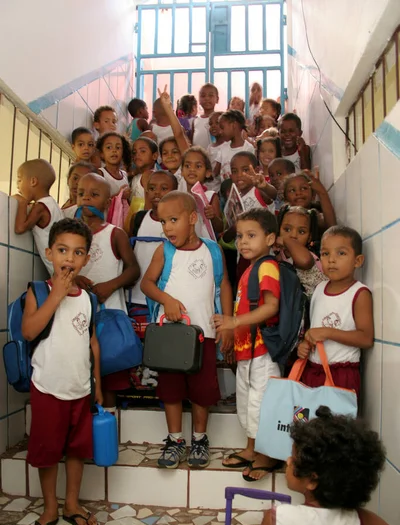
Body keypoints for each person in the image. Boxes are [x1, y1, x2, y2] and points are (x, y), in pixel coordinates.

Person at [242, 406, 400, 525]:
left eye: (294, 457)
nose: (288, 461)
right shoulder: (362, 521)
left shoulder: (277, 519)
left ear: (312, 480)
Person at [23, 218, 102, 525]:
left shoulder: (88, 298)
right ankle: (50, 507)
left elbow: (91, 342)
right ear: (49, 253)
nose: (69, 258)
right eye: (62, 250)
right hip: (47, 389)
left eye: (78, 252)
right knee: (47, 450)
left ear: (86, 258)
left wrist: (96, 383)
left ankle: (71, 504)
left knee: (76, 450)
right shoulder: (38, 291)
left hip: (80, 390)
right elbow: (29, 331)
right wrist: (55, 296)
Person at [141, 191, 233, 469]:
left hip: (202, 333)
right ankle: (175, 439)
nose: (167, 227)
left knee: (202, 390)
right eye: (163, 222)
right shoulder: (164, 251)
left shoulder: (212, 250)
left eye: (173, 220)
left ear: (192, 218)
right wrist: (167, 300)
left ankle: (200, 439)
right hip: (171, 337)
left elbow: (224, 284)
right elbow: (147, 283)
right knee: (170, 390)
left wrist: (227, 321)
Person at [213, 208, 282, 482]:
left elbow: (271, 306)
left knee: (261, 404)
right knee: (247, 401)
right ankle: (252, 449)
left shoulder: (267, 266)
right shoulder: (250, 268)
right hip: (248, 350)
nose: (242, 242)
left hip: (263, 350)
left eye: (251, 235)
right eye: (240, 235)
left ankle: (267, 455)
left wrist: (233, 321)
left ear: (270, 238)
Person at [75, 173, 140, 413]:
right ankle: (83, 426)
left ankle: (107, 424)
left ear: (108, 202)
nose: (86, 199)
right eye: (82, 194)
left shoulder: (115, 234)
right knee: (79, 370)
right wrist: (74, 278)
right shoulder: (70, 235)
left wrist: (109, 286)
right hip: (77, 316)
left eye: (94, 194)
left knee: (109, 370)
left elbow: (133, 270)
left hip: (110, 315)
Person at [297, 226, 373, 400]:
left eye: (341, 253)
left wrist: (327, 332)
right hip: (312, 371)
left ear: (358, 260)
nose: (331, 260)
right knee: (310, 426)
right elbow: (313, 330)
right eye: (325, 254)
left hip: (341, 375)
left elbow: (366, 338)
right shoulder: (318, 289)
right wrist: (305, 344)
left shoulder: (359, 293)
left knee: (336, 427)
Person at [128, 171, 178, 306]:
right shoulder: (138, 218)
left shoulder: (179, 223)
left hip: (167, 297)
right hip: (136, 295)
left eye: (164, 188)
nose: (157, 192)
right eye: (152, 188)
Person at [13, 159, 63, 274]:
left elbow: (20, 228)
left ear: (33, 181)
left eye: (20, 180)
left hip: (58, 269)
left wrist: (22, 202)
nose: (17, 185)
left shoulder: (41, 207)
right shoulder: (53, 205)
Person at [276, 206, 327, 299]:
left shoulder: (307, 255)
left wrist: (285, 240)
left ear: (309, 237)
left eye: (301, 232)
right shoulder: (278, 256)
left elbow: (304, 261)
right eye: (287, 229)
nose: (293, 235)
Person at [179, 146, 223, 236]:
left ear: (208, 173)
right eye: (187, 166)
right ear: (182, 171)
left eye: (198, 166)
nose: (192, 169)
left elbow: (220, 228)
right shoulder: (178, 197)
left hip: (205, 245)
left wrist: (213, 216)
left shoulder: (210, 197)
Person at [215, 110, 256, 181]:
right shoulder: (223, 147)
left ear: (234, 125)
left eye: (222, 128)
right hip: (225, 190)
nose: (220, 132)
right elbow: (216, 171)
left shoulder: (248, 148)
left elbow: (251, 172)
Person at [130, 136, 159, 214]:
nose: (137, 155)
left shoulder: (149, 175)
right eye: (134, 152)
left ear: (155, 156)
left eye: (142, 151)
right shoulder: (137, 176)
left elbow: (149, 205)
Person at [97, 132, 131, 197]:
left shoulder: (124, 174)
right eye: (109, 147)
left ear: (123, 152)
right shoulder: (100, 174)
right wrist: (119, 196)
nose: (114, 150)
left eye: (118, 147)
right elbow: (99, 200)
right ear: (102, 153)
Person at [193, 83, 219, 149]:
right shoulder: (195, 120)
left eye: (210, 95)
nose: (207, 98)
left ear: (217, 99)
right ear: (199, 100)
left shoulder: (221, 118)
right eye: (203, 96)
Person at [206, 111, 224, 193]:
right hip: (209, 186)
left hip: (219, 189)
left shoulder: (227, 146)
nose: (213, 126)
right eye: (210, 124)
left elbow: (216, 172)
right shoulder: (210, 147)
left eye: (217, 123)